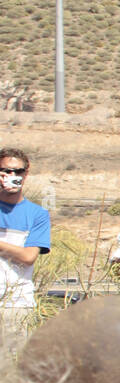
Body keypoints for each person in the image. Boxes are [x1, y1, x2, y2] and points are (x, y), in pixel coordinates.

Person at [0, 148, 51, 345]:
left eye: (18, 171)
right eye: (6, 171)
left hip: (16, 305)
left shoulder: (37, 215)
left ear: (26, 174)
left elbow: (28, 257)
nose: (13, 176)